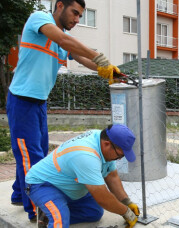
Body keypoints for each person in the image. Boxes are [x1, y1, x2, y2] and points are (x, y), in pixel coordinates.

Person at [7, 0, 119, 221]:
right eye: (75, 13)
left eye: (80, 16)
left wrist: (109, 70)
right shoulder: (40, 19)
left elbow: (80, 56)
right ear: (59, 5)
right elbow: (64, 39)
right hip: (22, 102)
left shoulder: (60, 42)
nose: (77, 20)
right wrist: (99, 57)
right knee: (32, 158)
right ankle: (36, 211)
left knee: (36, 151)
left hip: (39, 103)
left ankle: (19, 194)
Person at [25, 124, 140, 227]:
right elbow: (102, 197)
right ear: (107, 144)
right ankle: (54, 213)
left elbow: (111, 175)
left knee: (94, 212)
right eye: (120, 155)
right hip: (43, 184)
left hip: (67, 185)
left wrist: (126, 202)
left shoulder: (101, 138)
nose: (120, 158)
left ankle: (47, 213)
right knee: (59, 219)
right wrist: (125, 212)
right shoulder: (86, 156)